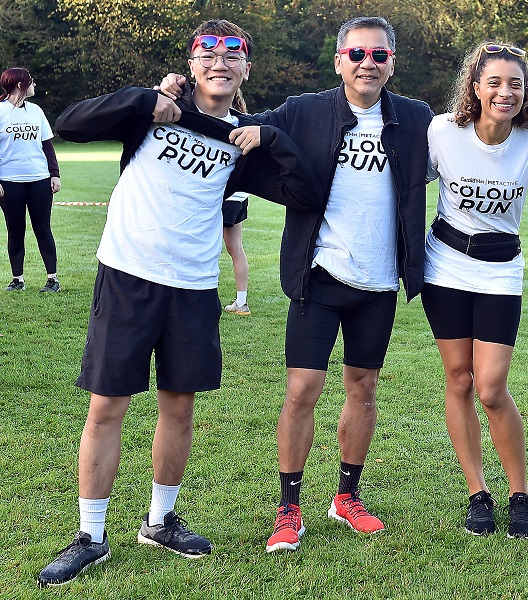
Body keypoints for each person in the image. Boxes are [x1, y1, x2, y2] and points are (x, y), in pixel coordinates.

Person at [37, 20, 316, 587]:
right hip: (128, 275)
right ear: (191, 65)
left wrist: (273, 139)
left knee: (179, 406)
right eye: (207, 52)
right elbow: (70, 123)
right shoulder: (154, 110)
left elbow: (305, 191)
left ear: (245, 69)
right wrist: (147, 100)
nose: (220, 61)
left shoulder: (242, 138)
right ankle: (91, 535)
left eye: (232, 53)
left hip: (193, 287)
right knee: (107, 406)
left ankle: (159, 521)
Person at [158, 15, 432, 551]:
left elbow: (475, 139)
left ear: (391, 63)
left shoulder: (418, 119)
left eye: (378, 55)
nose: (367, 64)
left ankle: (346, 498)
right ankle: (289, 509)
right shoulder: (305, 111)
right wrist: (175, 96)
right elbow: (228, 123)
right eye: (357, 54)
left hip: (378, 281)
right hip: (319, 274)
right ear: (339, 61)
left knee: (364, 388)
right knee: (302, 390)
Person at [421, 42, 528, 539]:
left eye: (516, 84)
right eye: (496, 83)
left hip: (501, 269)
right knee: (459, 380)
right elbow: (402, 179)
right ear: (476, 87)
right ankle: (477, 493)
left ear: (526, 93)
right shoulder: (443, 131)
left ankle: (519, 494)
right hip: (445, 266)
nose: (506, 92)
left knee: (491, 387)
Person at [0, 68, 62, 293]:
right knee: (15, 231)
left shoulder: (36, 111)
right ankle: (18, 280)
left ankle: (52, 279)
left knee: (43, 229)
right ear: (19, 85)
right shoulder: (0, 112)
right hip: (9, 182)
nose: (34, 84)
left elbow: (47, 145)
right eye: (31, 81)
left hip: (39, 180)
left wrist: (54, 173)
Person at [222, 191, 251, 315]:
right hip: (240, 196)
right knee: (236, 248)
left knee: (203, 246)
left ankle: (197, 296)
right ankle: (241, 303)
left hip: (223, 195)